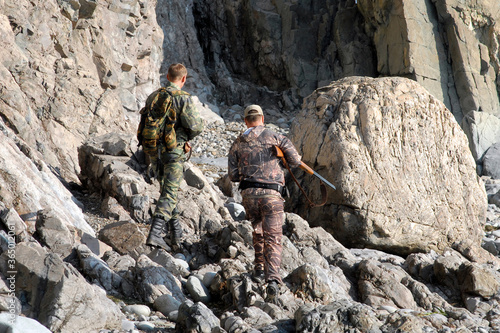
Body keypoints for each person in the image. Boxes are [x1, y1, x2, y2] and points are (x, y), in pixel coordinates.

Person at [228, 104, 301, 301]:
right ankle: (273, 281)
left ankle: (259, 268)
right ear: (263, 117)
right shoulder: (275, 137)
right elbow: (294, 161)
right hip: (272, 195)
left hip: (249, 196)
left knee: (258, 230)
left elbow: (233, 176)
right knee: (274, 236)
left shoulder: (237, 142)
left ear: (245, 121)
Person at [144, 63, 203, 250]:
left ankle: (175, 236)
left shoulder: (154, 96)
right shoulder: (183, 98)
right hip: (174, 152)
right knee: (169, 193)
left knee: (167, 192)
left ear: (168, 77)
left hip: (154, 152)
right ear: (183, 79)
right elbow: (194, 126)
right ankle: (155, 234)